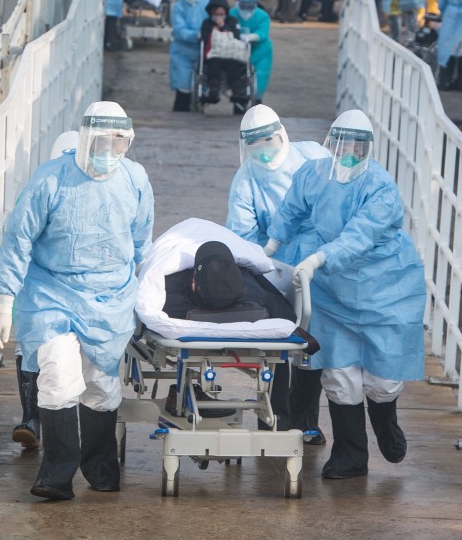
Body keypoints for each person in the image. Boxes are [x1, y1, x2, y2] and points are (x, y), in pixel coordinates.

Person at [0, 102, 154, 501]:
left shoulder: (134, 179)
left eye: (120, 143)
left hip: (110, 299)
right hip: (53, 295)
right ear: (84, 139)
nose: (110, 151)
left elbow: (141, 241)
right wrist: (4, 298)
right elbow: (18, 239)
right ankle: (56, 475)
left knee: (100, 386)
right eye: (103, 141)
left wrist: (144, 294)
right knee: (59, 377)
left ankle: (101, 469)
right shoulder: (51, 179)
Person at [264, 109, 426, 480]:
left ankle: (386, 425)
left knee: (381, 380)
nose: (348, 151)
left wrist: (318, 258)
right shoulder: (314, 174)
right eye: (342, 143)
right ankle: (351, 455)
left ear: (368, 147)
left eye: (357, 145)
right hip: (331, 289)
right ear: (331, 142)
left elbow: (360, 236)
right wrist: (270, 247)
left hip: (383, 284)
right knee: (339, 373)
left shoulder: (381, 188)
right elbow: (291, 210)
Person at [226, 105, 331, 444]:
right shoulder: (246, 181)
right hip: (278, 271)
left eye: (269, 139)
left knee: (314, 346)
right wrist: (269, 269)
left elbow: (341, 200)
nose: (264, 149)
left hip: (321, 264)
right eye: (255, 143)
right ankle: (276, 421)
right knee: (281, 345)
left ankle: (306, 422)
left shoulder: (312, 157)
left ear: (282, 133)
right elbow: (243, 238)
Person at [159, 238, 318, 422]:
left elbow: (150, 313)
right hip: (245, 303)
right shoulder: (253, 290)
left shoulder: (172, 298)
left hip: (193, 300)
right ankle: (277, 419)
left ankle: (180, 394)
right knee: (277, 354)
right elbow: (288, 318)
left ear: (193, 282)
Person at [8, 131, 79, 451]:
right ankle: (34, 420)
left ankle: (33, 419)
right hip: (46, 285)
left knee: (32, 348)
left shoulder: (37, 188)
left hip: (47, 286)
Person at [200, 0, 252, 115]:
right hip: (214, 54)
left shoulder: (232, 22)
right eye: (216, 14)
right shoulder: (206, 23)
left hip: (230, 54)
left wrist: (223, 27)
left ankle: (237, 90)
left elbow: (236, 37)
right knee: (214, 63)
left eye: (221, 14)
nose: (219, 16)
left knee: (232, 64)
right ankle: (213, 88)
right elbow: (204, 38)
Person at [169, 0, 206, 112]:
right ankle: (179, 117)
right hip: (182, 52)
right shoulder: (178, 7)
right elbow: (179, 30)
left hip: (202, 51)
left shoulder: (205, 5)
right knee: (183, 87)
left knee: (202, 87)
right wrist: (195, 35)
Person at [230, 0, 273, 102]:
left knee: (260, 78)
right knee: (239, 77)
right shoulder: (232, 14)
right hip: (238, 51)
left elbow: (263, 33)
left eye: (249, 5)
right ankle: (239, 102)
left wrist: (251, 37)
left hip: (260, 52)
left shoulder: (262, 16)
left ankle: (257, 101)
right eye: (243, 5)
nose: (246, 9)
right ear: (237, 3)